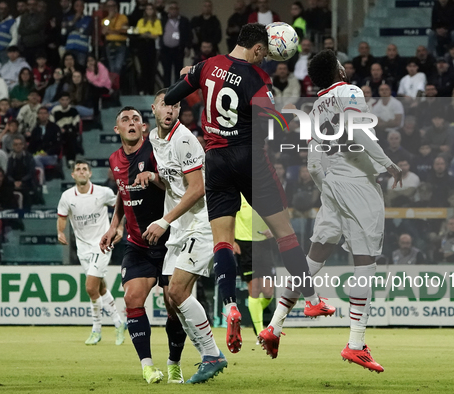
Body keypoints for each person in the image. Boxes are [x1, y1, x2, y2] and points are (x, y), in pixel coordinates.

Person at [164, 23, 334, 355]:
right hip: (249, 160)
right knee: (285, 233)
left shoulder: (206, 66)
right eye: (265, 52)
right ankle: (313, 300)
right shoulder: (255, 79)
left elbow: (172, 97)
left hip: (214, 160)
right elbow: (277, 124)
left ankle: (229, 307)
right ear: (257, 49)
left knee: (222, 243)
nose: (265, 57)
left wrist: (192, 76)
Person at [260, 49, 402, 371]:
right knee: (365, 263)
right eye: (342, 63)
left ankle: (275, 325)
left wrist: (330, 191)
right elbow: (359, 131)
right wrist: (389, 165)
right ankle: (356, 344)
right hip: (358, 182)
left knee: (312, 260)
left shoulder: (314, 108)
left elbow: (312, 163)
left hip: (333, 185)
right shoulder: (349, 91)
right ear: (338, 70)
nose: (345, 67)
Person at [139, 89, 227, 384]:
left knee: (177, 291)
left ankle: (211, 354)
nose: (170, 110)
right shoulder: (154, 138)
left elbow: (197, 188)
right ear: (154, 108)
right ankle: (206, 355)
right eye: (165, 104)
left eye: (175, 106)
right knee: (171, 300)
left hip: (201, 222)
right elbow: (173, 182)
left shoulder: (185, 140)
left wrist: (163, 221)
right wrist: (154, 178)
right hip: (180, 227)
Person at [99, 107, 187, 384]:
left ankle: (174, 363)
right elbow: (122, 194)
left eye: (136, 119)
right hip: (137, 244)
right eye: (125, 120)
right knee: (132, 298)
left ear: (144, 128)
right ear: (118, 130)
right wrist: (115, 225)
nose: (131, 123)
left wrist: (153, 178)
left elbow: (179, 187)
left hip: (170, 241)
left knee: (174, 304)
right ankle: (148, 366)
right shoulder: (114, 159)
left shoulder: (155, 151)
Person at [57, 160, 127, 345]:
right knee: (100, 287)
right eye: (78, 169)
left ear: (90, 174)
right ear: (73, 175)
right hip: (83, 248)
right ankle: (119, 322)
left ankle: (96, 329)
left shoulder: (103, 193)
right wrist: (60, 232)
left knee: (90, 287)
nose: (81, 172)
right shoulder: (67, 197)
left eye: (84, 169)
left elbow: (122, 206)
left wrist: (119, 228)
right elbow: (62, 216)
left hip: (102, 244)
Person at [234, 194, 275, 336]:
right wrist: (231, 240)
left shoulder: (265, 194)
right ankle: (260, 332)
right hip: (244, 245)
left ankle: (256, 311)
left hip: (264, 245)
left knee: (269, 292)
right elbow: (228, 218)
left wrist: (274, 229)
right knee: (255, 290)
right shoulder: (237, 194)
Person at [160, 1, 192, 87]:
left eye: (176, 8)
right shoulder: (163, 20)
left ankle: (177, 93)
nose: (173, 10)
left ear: (178, 10)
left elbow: (189, 34)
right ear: (168, 10)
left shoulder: (184, 20)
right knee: (166, 72)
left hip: (178, 49)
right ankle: (166, 92)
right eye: (171, 8)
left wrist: (188, 47)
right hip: (166, 50)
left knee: (179, 72)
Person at [135, 4, 162, 95]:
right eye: (147, 9)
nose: (149, 11)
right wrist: (149, 34)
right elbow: (139, 32)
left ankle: (150, 90)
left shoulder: (156, 21)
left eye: (151, 9)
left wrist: (147, 34)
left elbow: (157, 34)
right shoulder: (141, 21)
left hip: (151, 46)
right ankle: (143, 89)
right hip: (142, 45)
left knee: (151, 68)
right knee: (143, 68)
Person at [6, 135, 37, 208]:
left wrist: (22, 181)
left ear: (23, 145)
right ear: (13, 146)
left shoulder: (29, 157)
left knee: (26, 190)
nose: (18, 146)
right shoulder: (10, 158)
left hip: (27, 181)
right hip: (13, 182)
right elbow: (8, 173)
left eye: (20, 144)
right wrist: (14, 182)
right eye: (16, 144)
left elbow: (31, 172)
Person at [51, 93, 81, 166]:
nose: (65, 102)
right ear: (59, 101)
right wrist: (59, 129)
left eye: (67, 100)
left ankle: (71, 159)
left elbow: (76, 124)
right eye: (62, 100)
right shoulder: (55, 110)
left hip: (70, 131)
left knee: (70, 135)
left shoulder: (73, 110)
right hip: (58, 132)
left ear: (69, 100)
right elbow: (51, 124)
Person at [102, 0, 129, 75]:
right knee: (111, 67)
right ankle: (113, 85)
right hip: (109, 45)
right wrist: (110, 18)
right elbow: (104, 31)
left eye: (113, 5)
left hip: (120, 44)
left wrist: (111, 31)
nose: (111, 8)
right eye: (109, 6)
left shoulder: (123, 17)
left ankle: (116, 84)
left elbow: (124, 30)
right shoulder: (105, 20)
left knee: (118, 67)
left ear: (116, 6)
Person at [18, 0, 47, 65]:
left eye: (33, 5)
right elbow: (20, 30)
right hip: (26, 47)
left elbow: (36, 27)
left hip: (37, 47)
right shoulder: (24, 16)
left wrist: (27, 29)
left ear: (37, 5)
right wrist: (31, 29)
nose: (31, 7)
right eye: (29, 5)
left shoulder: (41, 16)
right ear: (27, 6)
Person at [64, 0, 92, 66]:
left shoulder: (88, 19)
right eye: (77, 6)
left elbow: (87, 31)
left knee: (80, 68)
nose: (79, 8)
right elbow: (66, 31)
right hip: (70, 48)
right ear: (74, 7)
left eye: (81, 6)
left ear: (83, 7)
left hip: (82, 49)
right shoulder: (69, 18)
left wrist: (75, 28)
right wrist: (75, 18)